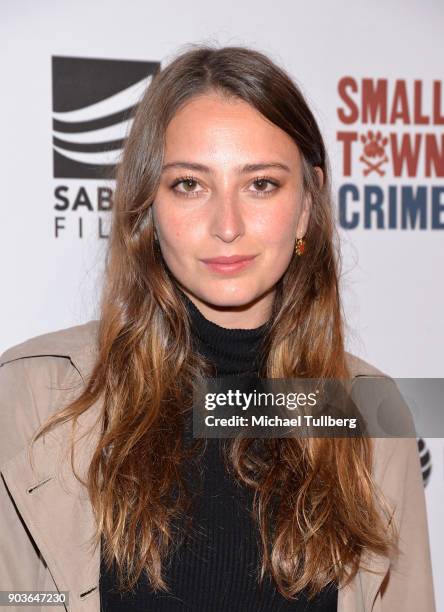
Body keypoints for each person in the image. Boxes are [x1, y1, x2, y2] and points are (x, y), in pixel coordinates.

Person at [0, 44, 435, 612]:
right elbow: (18, 597)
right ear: (147, 205)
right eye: (189, 185)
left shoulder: (368, 414)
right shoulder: (35, 395)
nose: (227, 226)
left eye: (261, 184)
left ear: (306, 206)